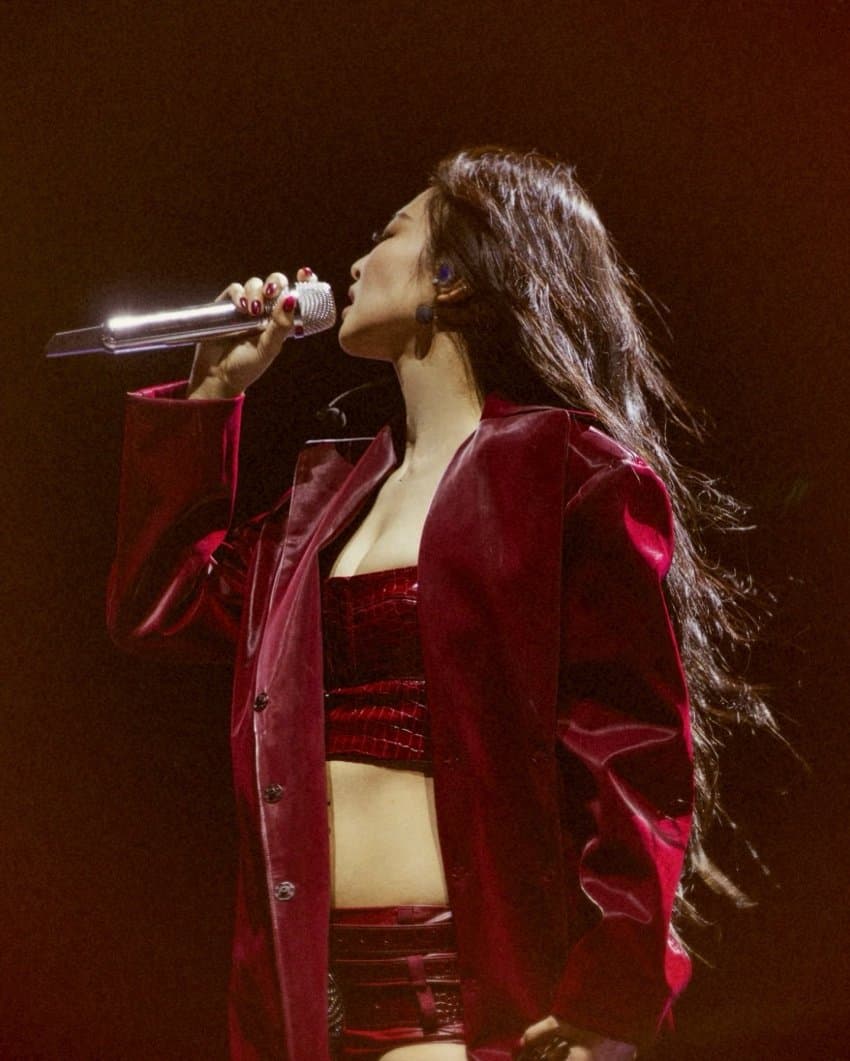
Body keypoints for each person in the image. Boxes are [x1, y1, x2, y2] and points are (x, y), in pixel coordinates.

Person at [107, 147, 764, 1060]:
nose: (354, 262)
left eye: (389, 235)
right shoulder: (325, 504)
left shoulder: (567, 473)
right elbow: (162, 602)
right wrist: (213, 392)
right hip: (308, 1010)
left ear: (450, 278)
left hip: (464, 1007)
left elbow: (633, 752)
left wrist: (612, 993)